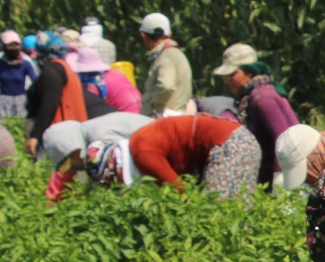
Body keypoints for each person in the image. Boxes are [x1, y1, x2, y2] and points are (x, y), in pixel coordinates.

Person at [88, 114, 263, 200]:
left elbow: (179, 191)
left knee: (218, 213)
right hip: (237, 139)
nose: (116, 184)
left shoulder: (143, 154)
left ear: (114, 165)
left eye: (111, 180)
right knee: (239, 209)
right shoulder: (139, 144)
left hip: (228, 144)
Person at [212, 43, 298, 189]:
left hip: (282, 174)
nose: (227, 80)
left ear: (249, 73)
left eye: (232, 74)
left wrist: (280, 178)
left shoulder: (263, 99)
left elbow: (283, 140)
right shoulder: (252, 96)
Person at [24, 32, 114, 156]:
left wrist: (35, 136)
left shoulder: (51, 71)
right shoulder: (63, 67)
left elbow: (50, 104)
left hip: (65, 129)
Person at [138, 12, 192, 117]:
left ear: (144, 36)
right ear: (169, 34)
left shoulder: (166, 56)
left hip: (163, 117)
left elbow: (166, 85)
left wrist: (153, 103)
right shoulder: (176, 53)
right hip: (178, 114)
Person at [0, 31, 37, 121]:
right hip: (3, 102)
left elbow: (36, 82)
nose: (13, 48)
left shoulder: (25, 64)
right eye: (10, 45)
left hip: (21, 102)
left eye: (15, 45)